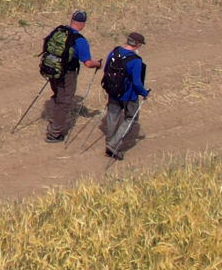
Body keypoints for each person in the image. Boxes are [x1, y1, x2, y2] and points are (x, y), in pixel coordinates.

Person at [39, 10, 101, 143]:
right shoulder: (80, 40)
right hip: (68, 73)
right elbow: (88, 63)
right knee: (65, 100)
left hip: (53, 69)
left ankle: (54, 119)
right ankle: (55, 133)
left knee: (57, 95)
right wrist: (98, 64)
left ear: (72, 19)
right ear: (83, 23)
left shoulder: (58, 31)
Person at [100, 33, 149, 159]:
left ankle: (109, 144)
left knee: (112, 116)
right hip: (129, 95)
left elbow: (106, 70)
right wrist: (144, 93)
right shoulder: (136, 61)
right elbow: (137, 82)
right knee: (131, 118)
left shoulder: (114, 52)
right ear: (138, 44)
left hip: (113, 92)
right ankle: (113, 144)